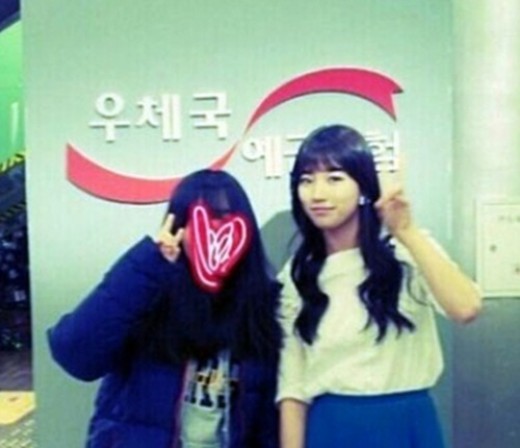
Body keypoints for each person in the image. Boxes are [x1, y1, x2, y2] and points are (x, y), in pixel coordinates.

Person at [276, 125, 482, 448]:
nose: (317, 193)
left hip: (407, 424)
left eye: (334, 178)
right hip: (331, 428)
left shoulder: (406, 252)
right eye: (306, 180)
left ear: (363, 187)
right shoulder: (298, 274)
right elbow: (292, 386)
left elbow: (466, 307)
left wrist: (407, 231)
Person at [48, 169, 282, 448]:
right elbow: (75, 355)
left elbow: (268, 423)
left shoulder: (264, 306)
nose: (212, 231)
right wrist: (149, 266)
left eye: (223, 217)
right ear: (177, 225)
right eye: (198, 218)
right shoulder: (148, 288)